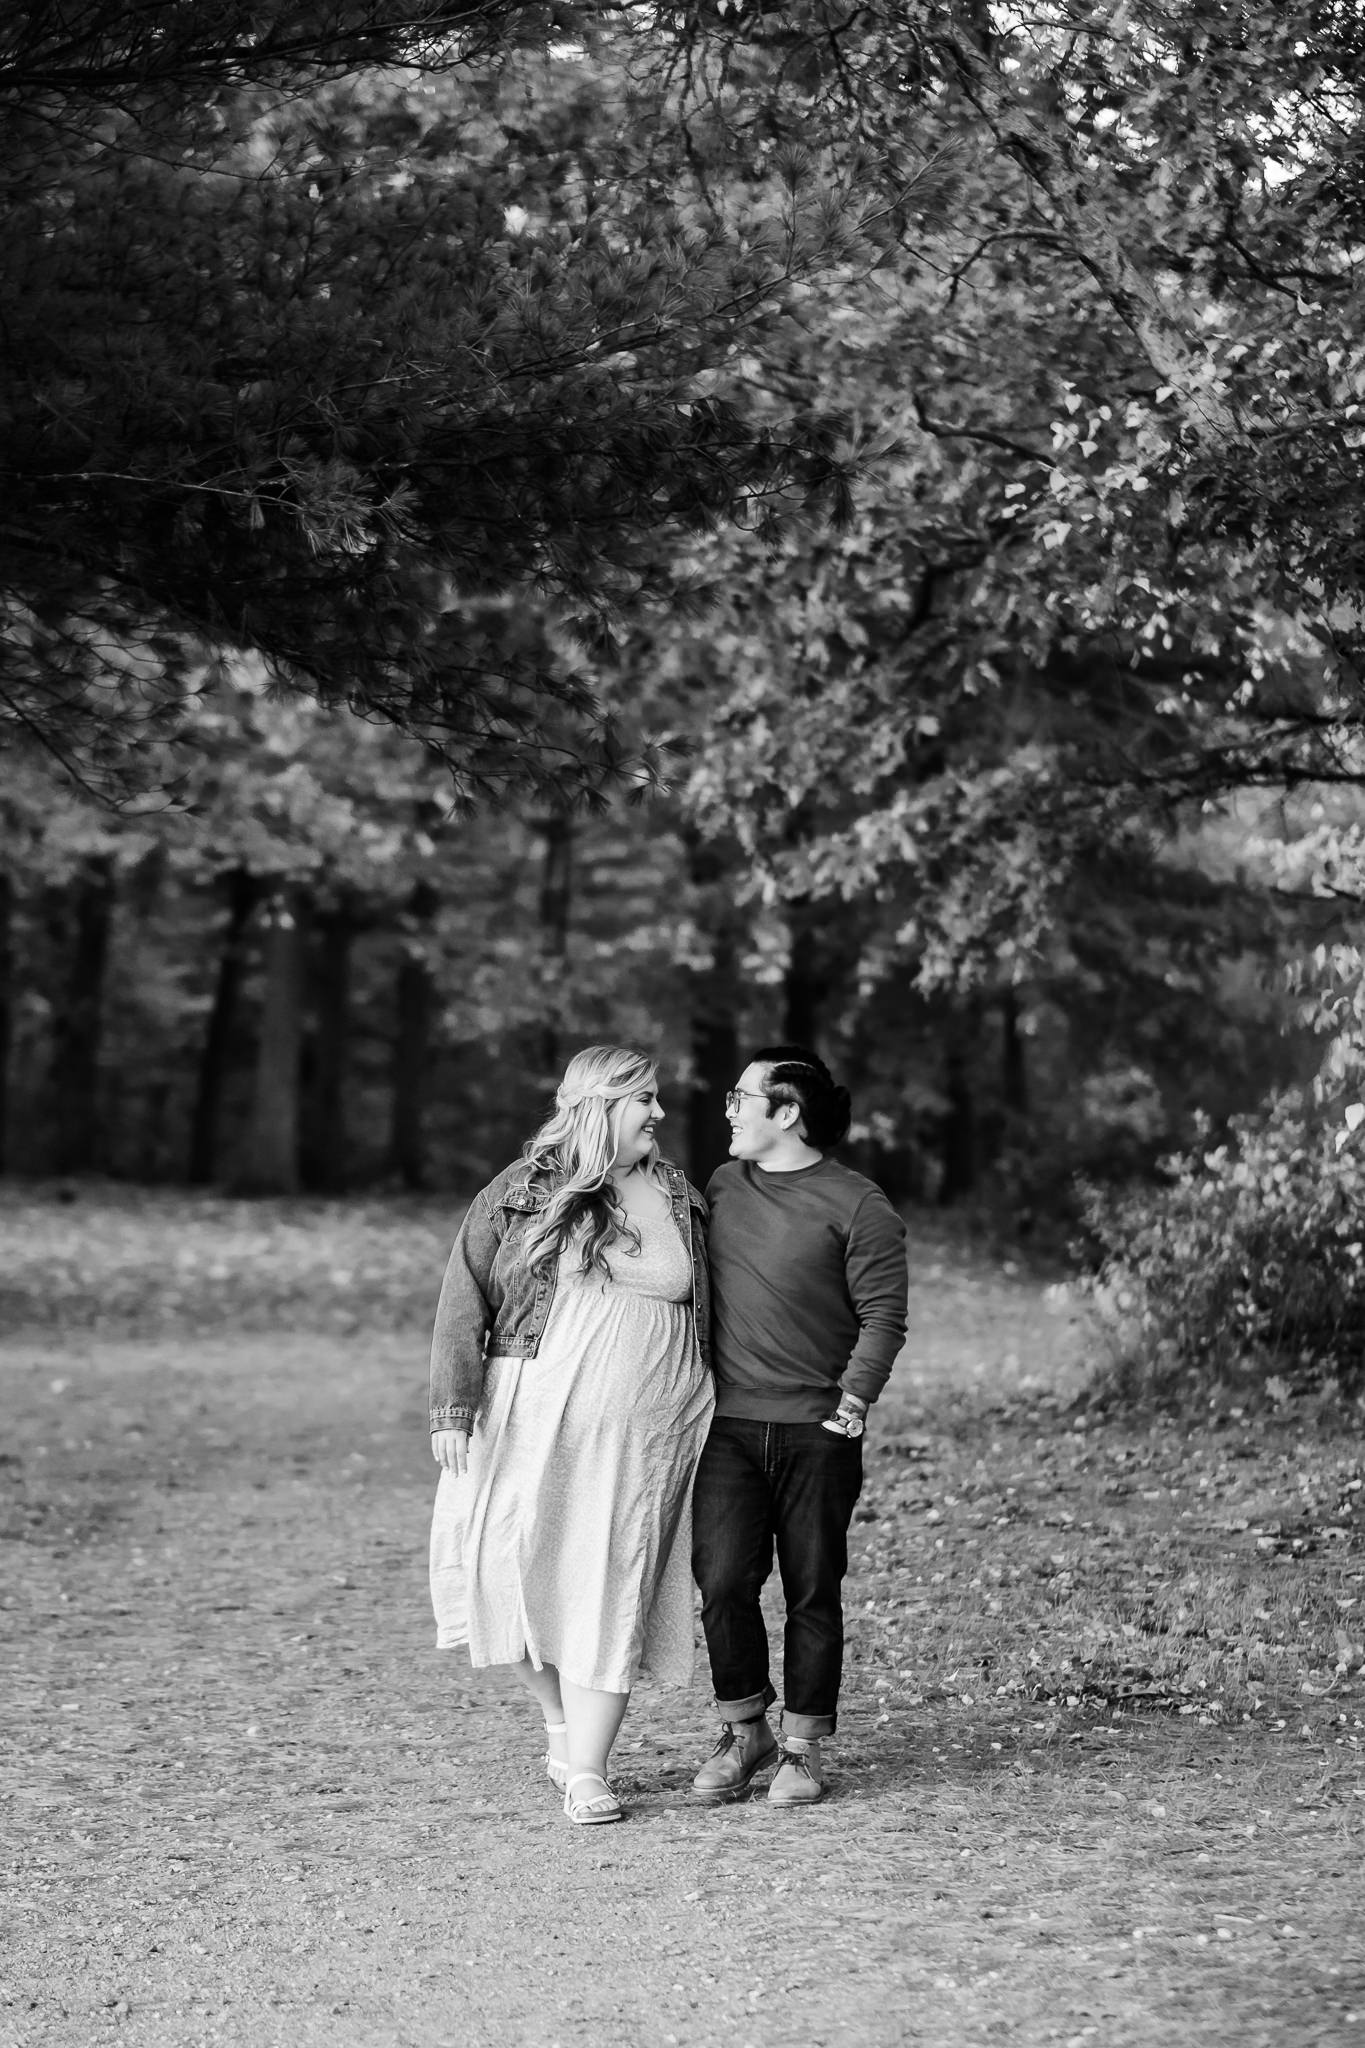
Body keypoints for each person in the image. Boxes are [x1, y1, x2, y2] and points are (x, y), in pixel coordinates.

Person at [428, 1045, 713, 1825]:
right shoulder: (519, 1192)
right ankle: (559, 1724)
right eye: (644, 1099)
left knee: (607, 1586)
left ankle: (588, 1770)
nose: (659, 1113)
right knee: (500, 1573)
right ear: (600, 1106)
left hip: (647, 1436)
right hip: (526, 1418)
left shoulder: (679, 1194)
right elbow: (464, 1298)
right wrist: (452, 1411)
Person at [691, 1045, 908, 1807]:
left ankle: (802, 1749)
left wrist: (854, 1400)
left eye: (739, 1098)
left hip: (820, 1429)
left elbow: (883, 1315)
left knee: (813, 1589)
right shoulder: (720, 1186)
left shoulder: (858, 1204)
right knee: (721, 1582)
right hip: (726, 1427)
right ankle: (743, 1727)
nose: (728, 1111)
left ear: (785, 1113)